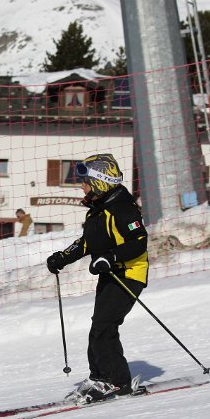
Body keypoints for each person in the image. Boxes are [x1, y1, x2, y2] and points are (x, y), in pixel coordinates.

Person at [45, 153, 149, 403]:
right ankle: (100, 376)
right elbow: (87, 243)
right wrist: (62, 257)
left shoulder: (123, 208)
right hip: (110, 274)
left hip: (129, 274)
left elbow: (139, 242)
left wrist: (111, 257)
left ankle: (118, 382)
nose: (82, 186)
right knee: (98, 327)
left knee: (105, 326)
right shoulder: (98, 211)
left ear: (100, 182)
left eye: (86, 181)